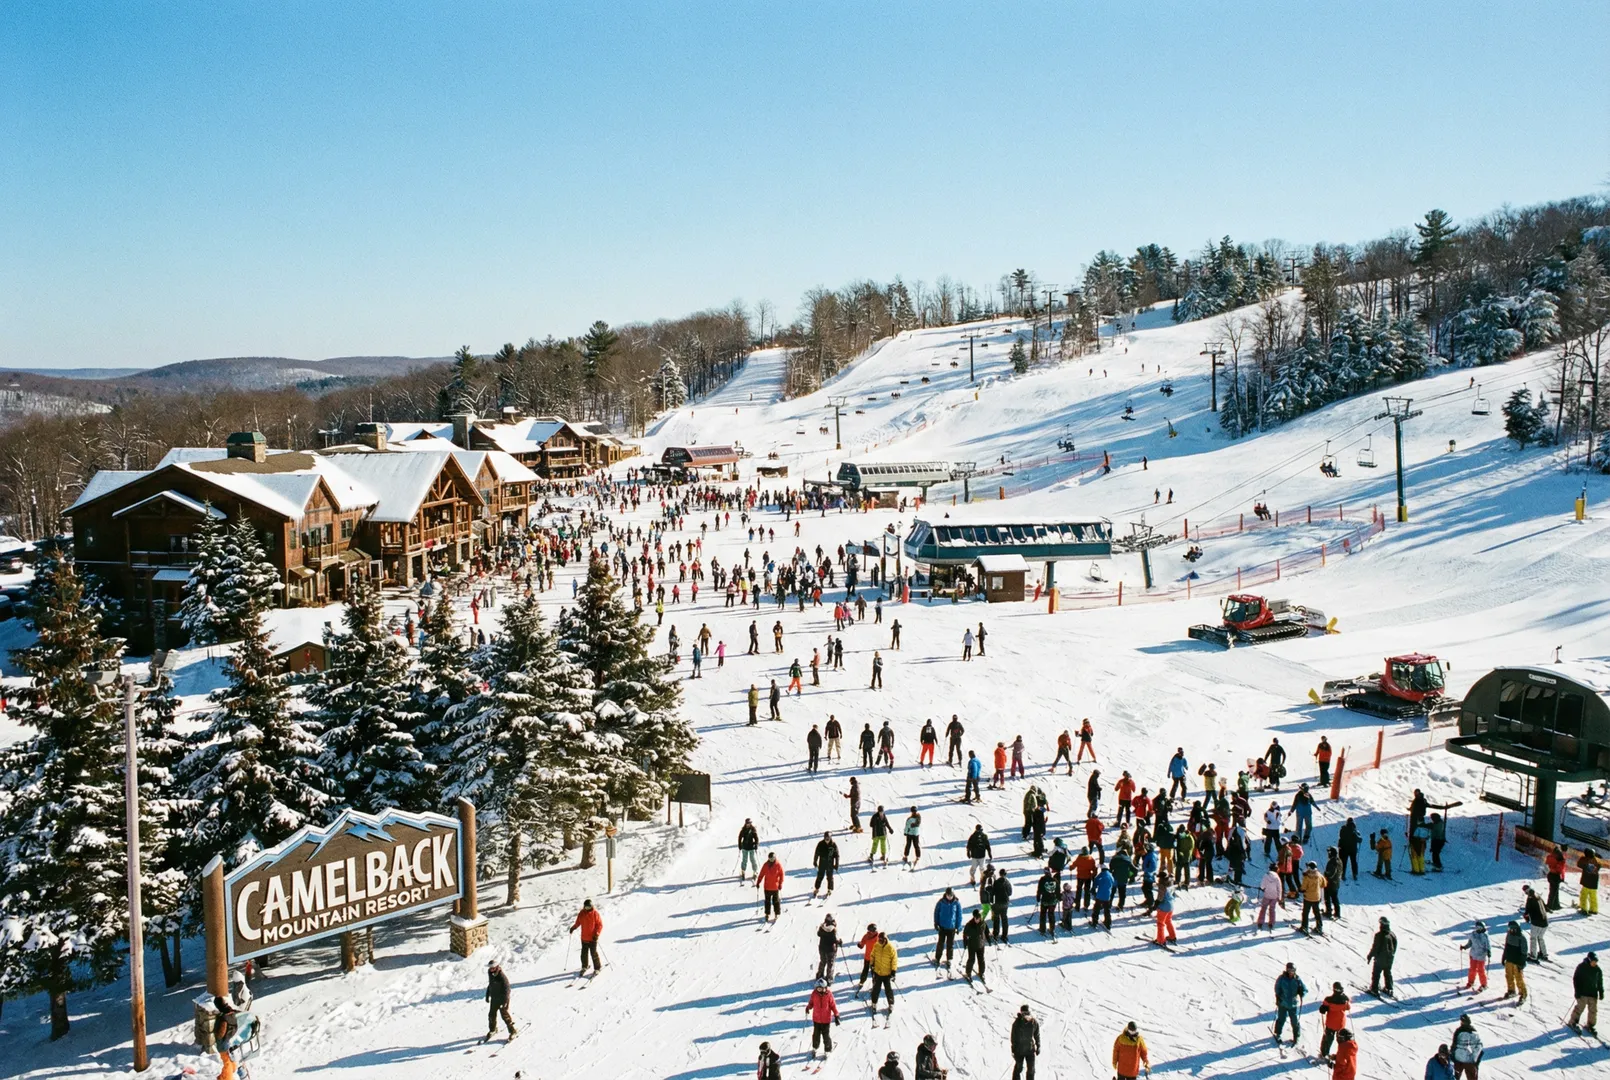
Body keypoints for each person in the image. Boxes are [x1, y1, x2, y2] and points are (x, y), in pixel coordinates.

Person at [804, 978, 840, 1060]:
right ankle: (815, 1048)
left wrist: (836, 1015)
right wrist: (808, 1007)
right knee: (816, 1035)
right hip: (816, 1019)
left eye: (821, 988)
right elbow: (811, 1002)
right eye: (818, 988)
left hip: (826, 1020)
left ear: (825, 988)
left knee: (826, 1036)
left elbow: (833, 1005)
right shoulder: (814, 994)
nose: (819, 990)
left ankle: (827, 1050)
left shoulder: (829, 994)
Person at [1568, 951, 1602, 1036]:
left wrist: (1601, 992)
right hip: (1582, 993)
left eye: (1596, 962)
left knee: (1593, 1011)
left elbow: (1600, 982)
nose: (1594, 963)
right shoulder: (1581, 967)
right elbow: (1576, 979)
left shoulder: (1597, 970)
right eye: (1593, 962)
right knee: (1580, 1008)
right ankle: (1573, 1022)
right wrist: (1577, 991)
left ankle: (1590, 1025)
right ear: (1589, 960)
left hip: (1592, 994)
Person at [1275, 962, 1307, 1045]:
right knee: (1281, 1019)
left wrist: (1302, 992)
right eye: (1289, 970)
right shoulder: (1282, 978)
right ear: (1287, 970)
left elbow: (1304, 989)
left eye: (1293, 970)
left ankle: (1296, 1036)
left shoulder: (1297, 979)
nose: (1291, 972)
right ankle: (1278, 1033)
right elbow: (1277, 988)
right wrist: (1278, 996)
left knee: (1294, 1021)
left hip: (1293, 1004)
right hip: (1283, 1003)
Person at [570, 898, 604, 974]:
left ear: (591, 906)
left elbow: (600, 925)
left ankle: (597, 968)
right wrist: (573, 927)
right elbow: (578, 922)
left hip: (593, 938)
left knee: (593, 953)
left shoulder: (595, 914)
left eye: (588, 907)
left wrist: (597, 934)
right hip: (584, 938)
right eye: (586, 907)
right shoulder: (581, 913)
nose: (587, 908)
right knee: (583, 954)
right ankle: (584, 966)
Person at [484, 961, 516, 1041]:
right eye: (490, 968)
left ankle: (513, 1031)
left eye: (493, 968)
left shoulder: (501, 976)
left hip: (502, 999)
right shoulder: (491, 973)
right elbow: (490, 985)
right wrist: (487, 995)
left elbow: (507, 990)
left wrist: (504, 1002)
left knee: (505, 1016)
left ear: (496, 967)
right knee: (491, 1015)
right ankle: (493, 1030)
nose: (491, 969)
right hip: (494, 999)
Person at [868, 931, 899, 1015]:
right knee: (876, 990)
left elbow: (894, 960)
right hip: (878, 972)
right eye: (879, 940)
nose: (879, 941)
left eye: (881, 940)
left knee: (888, 990)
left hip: (887, 974)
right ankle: (874, 1003)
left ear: (885, 940)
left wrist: (893, 971)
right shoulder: (876, 945)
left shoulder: (890, 948)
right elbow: (872, 955)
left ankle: (891, 1004)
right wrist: (872, 964)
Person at [1318, 983, 1350, 1062]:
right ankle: (1341, 1056)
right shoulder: (1345, 999)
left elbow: (1323, 1009)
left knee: (1328, 1039)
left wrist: (1323, 1009)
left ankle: (1324, 1054)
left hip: (1331, 1023)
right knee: (1341, 1041)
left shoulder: (1329, 999)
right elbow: (1348, 1007)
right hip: (1341, 1024)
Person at [1367, 917, 1397, 996]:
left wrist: (1370, 955)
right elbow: (1395, 945)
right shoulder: (1392, 934)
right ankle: (1389, 988)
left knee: (1376, 973)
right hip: (1389, 958)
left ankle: (1374, 989)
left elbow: (1375, 947)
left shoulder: (1379, 935)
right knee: (1387, 972)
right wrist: (1391, 955)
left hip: (1380, 958)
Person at [1010, 1005, 1041, 1080]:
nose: (1026, 1015)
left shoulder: (1033, 1022)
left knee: (1031, 1070)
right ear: (1021, 1013)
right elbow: (1013, 1036)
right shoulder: (1017, 1023)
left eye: (1027, 1013)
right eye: (1024, 1013)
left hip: (1030, 1050)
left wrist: (1038, 1045)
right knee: (1018, 1068)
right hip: (1019, 1050)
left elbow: (1037, 1035)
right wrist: (1013, 1049)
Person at [1500, 920, 1528, 1004]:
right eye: (1509, 928)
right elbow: (1506, 947)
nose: (1509, 930)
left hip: (1517, 962)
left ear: (1516, 929)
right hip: (1509, 960)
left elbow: (1524, 953)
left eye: (1511, 929)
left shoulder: (1521, 938)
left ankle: (1523, 994)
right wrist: (1504, 957)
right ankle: (1511, 990)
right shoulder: (1509, 935)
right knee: (1509, 976)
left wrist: (1522, 963)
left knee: (1518, 978)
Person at [934, 886, 962, 966]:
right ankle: (937, 958)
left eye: (951, 895)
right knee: (940, 943)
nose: (949, 897)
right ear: (945, 894)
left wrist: (958, 927)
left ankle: (949, 959)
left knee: (950, 944)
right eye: (948, 895)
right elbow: (936, 913)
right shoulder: (941, 902)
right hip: (942, 927)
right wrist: (936, 923)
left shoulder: (956, 903)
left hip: (951, 928)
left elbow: (959, 916)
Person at [1459, 919, 1490, 991]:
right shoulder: (1473, 934)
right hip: (1473, 955)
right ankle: (1470, 982)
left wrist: (1489, 951)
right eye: (1477, 928)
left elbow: (1488, 945)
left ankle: (1484, 984)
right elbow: (1470, 943)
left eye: (1480, 928)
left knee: (1481, 970)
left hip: (1481, 956)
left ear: (1483, 928)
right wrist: (1464, 947)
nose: (1478, 929)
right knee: (1472, 969)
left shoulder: (1485, 936)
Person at [1450, 1014, 1483, 1079]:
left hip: (1459, 1058)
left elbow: (1454, 1045)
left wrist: (1453, 1055)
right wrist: (1474, 1058)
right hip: (1467, 1059)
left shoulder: (1460, 1031)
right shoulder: (1472, 1031)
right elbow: (1478, 1046)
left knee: (1454, 1077)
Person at [1522, 884, 1549, 961]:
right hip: (1545, 921)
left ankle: (1533, 956)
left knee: (1533, 938)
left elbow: (1527, 911)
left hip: (1537, 922)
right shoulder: (1538, 896)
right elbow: (1545, 906)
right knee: (1540, 937)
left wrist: (1526, 918)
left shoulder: (1530, 899)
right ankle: (1544, 953)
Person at [756, 852, 785, 921]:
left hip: (775, 887)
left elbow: (782, 875)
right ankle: (767, 914)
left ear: (775, 858)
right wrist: (758, 882)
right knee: (767, 901)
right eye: (770, 858)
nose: (771, 860)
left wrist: (780, 884)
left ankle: (777, 913)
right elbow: (761, 874)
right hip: (767, 887)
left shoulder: (778, 865)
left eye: (772, 858)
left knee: (776, 901)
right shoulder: (766, 865)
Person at [1300, 861, 1327, 935]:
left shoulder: (1307, 876)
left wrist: (1301, 890)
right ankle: (1319, 926)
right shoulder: (1319, 875)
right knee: (1317, 912)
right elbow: (1324, 883)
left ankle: (1304, 927)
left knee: (1305, 913)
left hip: (1308, 897)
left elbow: (1303, 887)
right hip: (1317, 897)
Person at [962, 907, 987, 985]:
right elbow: (965, 934)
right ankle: (968, 973)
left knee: (981, 960)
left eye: (979, 918)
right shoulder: (969, 925)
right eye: (976, 919)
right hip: (972, 945)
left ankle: (981, 972)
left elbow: (986, 931)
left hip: (981, 945)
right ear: (974, 918)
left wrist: (988, 939)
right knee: (971, 960)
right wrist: (965, 943)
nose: (977, 920)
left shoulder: (983, 923)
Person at [812, 831, 839, 898]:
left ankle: (829, 889)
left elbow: (837, 855)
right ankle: (817, 888)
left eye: (828, 839)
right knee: (819, 876)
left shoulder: (833, 845)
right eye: (825, 838)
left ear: (830, 838)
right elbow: (817, 853)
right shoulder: (820, 844)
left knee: (830, 877)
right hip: (822, 863)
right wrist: (815, 861)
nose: (826, 840)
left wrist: (836, 864)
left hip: (830, 864)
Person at [815, 915, 841, 981]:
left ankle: (819, 975)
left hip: (822, 948)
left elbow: (818, 934)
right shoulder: (832, 929)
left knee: (823, 962)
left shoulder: (822, 927)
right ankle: (829, 979)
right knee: (830, 964)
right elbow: (833, 940)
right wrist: (839, 942)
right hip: (830, 950)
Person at [989, 870, 1013, 943]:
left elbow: (992, 893)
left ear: (1000, 874)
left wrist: (991, 902)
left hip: (997, 903)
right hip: (1005, 903)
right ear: (1005, 874)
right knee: (1004, 919)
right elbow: (1010, 893)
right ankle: (1004, 936)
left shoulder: (996, 882)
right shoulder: (1007, 882)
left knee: (996, 919)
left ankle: (996, 934)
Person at [1256, 866, 1282, 931]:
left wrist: (1263, 888)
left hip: (1267, 895)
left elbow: (1262, 886)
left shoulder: (1266, 875)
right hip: (1274, 896)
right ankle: (1271, 922)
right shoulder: (1277, 878)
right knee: (1272, 909)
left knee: (1263, 908)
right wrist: (1279, 897)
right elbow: (1279, 888)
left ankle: (1260, 922)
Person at [856, 923, 880, 994]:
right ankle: (864, 983)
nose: (870, 932)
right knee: (869, 972)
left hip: (872, 959)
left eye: (871, 931)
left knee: (870, 972)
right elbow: (862, 944)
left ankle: (866, 984)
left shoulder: (874, 937)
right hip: (871, 958)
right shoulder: (873, 936)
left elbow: (861, 945)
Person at [1579, 847, 1601, 914]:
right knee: (1593, 895)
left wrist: (1582, 858)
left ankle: (1584, 909)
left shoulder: (1585, 860)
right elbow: (1599, 865)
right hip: (1594, 881)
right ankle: (1594, 909)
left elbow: (1579, 864)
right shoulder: (1596, 860)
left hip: (1587, 880)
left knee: (1584, 895)